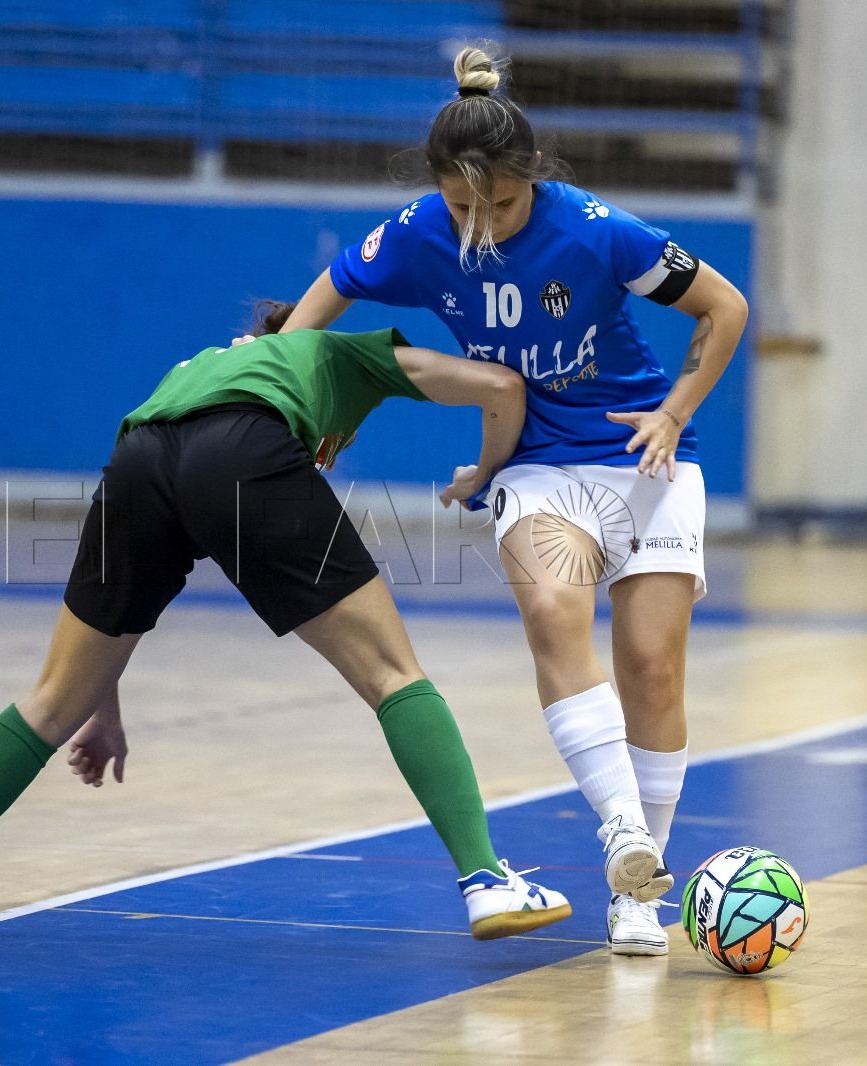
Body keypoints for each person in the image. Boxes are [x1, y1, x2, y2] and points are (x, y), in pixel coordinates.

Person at [0, 303, 572, 942]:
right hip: (245, 450)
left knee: (50, 701)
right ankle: (486, 880)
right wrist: (487, 472)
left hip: (137, 461)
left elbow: (122, 587)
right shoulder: (336, 351)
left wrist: (103, 707)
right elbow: (501, 387)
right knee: (393, 675)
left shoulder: (198, 368)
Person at [278, 46, 750, 956]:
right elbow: (326, 298)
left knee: (653, 668)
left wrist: (674, 410)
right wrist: (276, 380)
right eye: (463, 208)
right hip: (536, 465)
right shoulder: (418, 232)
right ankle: (624, 834)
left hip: (643, 458)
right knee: (551, 609)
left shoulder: (598, 232)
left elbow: (723, 306)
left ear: (531, 176)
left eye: (499, 205)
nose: (481, 226)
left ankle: (640, 895)